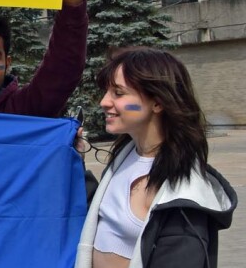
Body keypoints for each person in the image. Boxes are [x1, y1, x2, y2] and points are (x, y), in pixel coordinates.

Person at [74, 48, 237, 268]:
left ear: (158, 102)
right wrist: (76, 164)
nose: (104, 102)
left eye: (118, 93)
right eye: (106, 92)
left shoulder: (183, 194)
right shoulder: (125, 157)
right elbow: (105, 218)